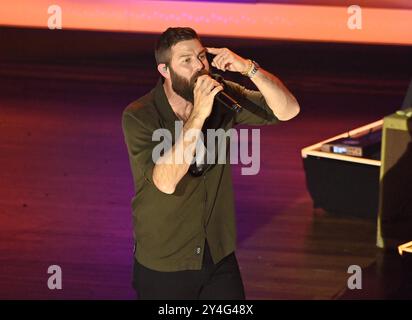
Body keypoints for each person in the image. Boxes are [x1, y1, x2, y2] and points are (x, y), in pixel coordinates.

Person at [122, 27, 300, 300]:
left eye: (202, 57)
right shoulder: (140, 116)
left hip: (217, 254)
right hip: (166, 260)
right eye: (186, 60)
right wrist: (199, 114)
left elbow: (288, 110)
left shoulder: (222, 95)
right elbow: (165, 182)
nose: (199, 67)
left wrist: (248, 68)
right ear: (164, 70)